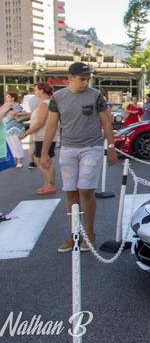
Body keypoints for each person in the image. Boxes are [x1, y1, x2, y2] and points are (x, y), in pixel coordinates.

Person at [40, 62, 117, 253]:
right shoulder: (58, 97)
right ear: (70, 78)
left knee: (85, 189)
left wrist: (111, 146)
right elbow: (51, 126)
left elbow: (106, 122)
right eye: (82, 79)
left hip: (91, 147)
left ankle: (89, 233)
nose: (86, 82)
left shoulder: (95, 95)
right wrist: (44, 152)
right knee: (70, 191)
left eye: (88, 79)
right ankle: (75, 234)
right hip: (67, 148)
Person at [18, 82, 59, 195]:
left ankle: (50, 184)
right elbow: (38, 116)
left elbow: (40, 122)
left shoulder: (44, 104)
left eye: (36, 89)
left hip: (44, 135)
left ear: (41, 90)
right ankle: (47, 183)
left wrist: (25, 133)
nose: (35, 92)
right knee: (38, 159)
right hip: (42, 136)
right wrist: (23, 114)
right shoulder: (45, 103)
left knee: (45, 160)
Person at [4, 92, 25, 168]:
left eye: (8, 97)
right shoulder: (6, 106)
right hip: (7, 128)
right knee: (10, 145)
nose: (6, 98)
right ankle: (14, 160)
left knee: (16, 144)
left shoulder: (16, 105)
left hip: (15, 128)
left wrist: (7, 108)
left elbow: (14, 113)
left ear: (13, 98)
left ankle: (20, 160)